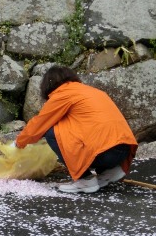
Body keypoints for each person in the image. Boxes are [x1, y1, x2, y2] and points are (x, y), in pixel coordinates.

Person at [15, 65, 137, 193]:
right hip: (123, 150)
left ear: (48, 85)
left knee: (51, 131)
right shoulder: (93, 91)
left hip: (103, 153)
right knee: (66, 127)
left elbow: (40, 123)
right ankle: (109, 172)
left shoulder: (63, 94)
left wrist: (18, 143)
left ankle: (85, 180)